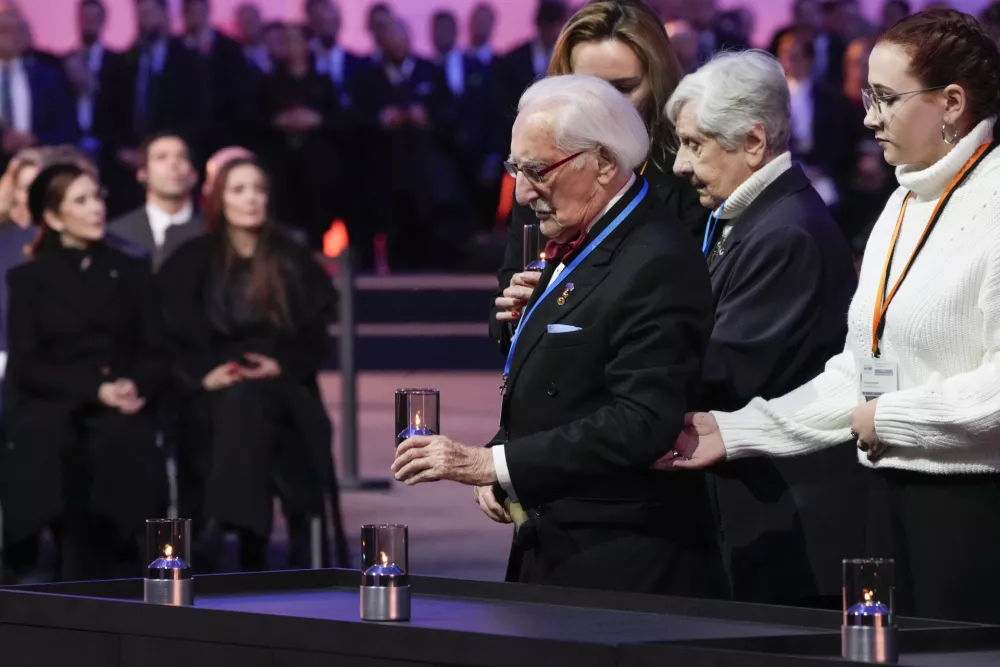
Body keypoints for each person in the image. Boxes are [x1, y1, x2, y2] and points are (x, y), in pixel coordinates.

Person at [659, 9, 1000, 624]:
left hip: (974, 515)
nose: (867, 116)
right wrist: (736, 431)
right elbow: (856, 373)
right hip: (888, 500)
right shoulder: (901, 202)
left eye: (886, 99)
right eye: (869, 96)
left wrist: (892, 416)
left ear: (952, 102)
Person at [393, 74, 722, 596]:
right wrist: (507, 460)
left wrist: (492, 463)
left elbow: (642, 421)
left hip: (623, 566)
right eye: (515, 170)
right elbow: (571, 383)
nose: (522, 192)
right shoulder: (582, 237)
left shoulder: (655, 257)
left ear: (604, 163)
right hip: (559, 540)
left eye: (536, 171)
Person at [666, 50, 863, 606]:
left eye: (694, 144)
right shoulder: (756, 218)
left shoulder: (786, 234)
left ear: (753, 143)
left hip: (787, 524)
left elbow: (724, 371)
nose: (681, 164)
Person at [158, 157, 347, 572]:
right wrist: (206, 374)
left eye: (258, 189)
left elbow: (315, 337)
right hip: (209, 387)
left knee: (251, 404)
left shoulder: (289, 256)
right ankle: (248, 537)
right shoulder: (193, 258)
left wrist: (279, 365)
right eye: (239, 190)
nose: (251, 199)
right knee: (240, 405)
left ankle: (225, 527)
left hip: (282, 384)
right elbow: (169, 334)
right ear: (219, 199)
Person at [490, 0, 704, 353]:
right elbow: (501, 316)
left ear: (658, 82)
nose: (604, 107)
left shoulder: (688, 175)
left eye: (623, 88)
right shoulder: (540, 175)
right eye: (586, 89)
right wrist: (521, 314)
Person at [0, 162, 166, 582]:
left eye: (97, 197)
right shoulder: (29, 280)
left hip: (119, 399)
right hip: (51, 398)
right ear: (53, 218)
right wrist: (96, 389)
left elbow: (154, 348)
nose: (96, 208)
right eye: (81, 200)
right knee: (45, 439)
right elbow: (28, 364)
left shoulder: (130, 269)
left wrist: (134, 384)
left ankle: (120, 567)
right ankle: (31, 562)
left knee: (124, 440)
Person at [109, 133, 201, 271]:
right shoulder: (116, 235)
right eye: (161, 157)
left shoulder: (213, 230)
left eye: (182, 157)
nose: (173, 164)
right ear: (142, 173)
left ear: (194, 175)